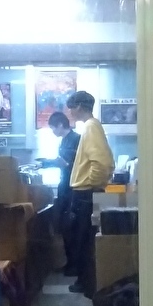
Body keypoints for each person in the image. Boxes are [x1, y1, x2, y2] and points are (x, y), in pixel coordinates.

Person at [65, 90, 115, 294]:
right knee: (85, 239)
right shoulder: (92, 126)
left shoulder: (90, 127)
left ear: (78, 107)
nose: (69, 111)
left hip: (86, 193)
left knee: (84, 241)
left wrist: (92, 184)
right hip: (88, 192)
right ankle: (85, 282)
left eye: (71, 107)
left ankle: (87, 284)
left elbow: (101, 163)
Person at [39, 112, 81, 275]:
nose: (53, 131)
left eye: (53, 128)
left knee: (71, 226)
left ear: (61, 125)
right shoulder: (64, 141)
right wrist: (46, 163)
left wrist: (63, 164)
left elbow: (76, 164)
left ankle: (74, 265)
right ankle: (69, 262)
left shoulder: (77, 139)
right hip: (65, 185)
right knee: (63, 226)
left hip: (73, 187)